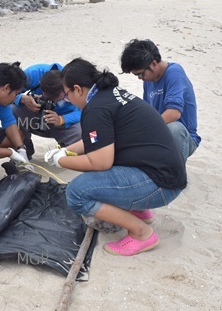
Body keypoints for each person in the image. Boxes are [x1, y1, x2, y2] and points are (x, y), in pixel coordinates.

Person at [44, 58, 187, 256]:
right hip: (166, 173)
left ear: (77, 89)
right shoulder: (109, 95)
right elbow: (96, 141)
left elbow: (100, 162)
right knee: (100, 176)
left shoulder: (96, 109)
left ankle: (142, 233)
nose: (67, 100)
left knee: (76, 192)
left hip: (161, 184)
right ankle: (140, 210)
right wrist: (66, 150)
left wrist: (61, 160)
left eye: (67, 95)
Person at [120, 39, 200, 163]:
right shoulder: (149, 80)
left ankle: (175, 176)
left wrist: (146, 131)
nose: (139, 78)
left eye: (140, 74)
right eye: (136, 75)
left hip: (182, 138)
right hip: (159, 136)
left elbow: (174, 113)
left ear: (153, 64)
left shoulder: (174, 72)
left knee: (175, 128)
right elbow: (149, 113)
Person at [11, 63, 82, 158]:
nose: (53, 102)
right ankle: (23, 149)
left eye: (59, 99)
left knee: (82, 131)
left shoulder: (76, 82)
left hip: (63, 123)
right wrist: (21, 98)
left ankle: (66, 152)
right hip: (35, 119)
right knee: (11, 109)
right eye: (47, 98)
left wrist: (62, 119)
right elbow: (6, 93)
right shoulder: (33, 74)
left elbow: (87, 111)